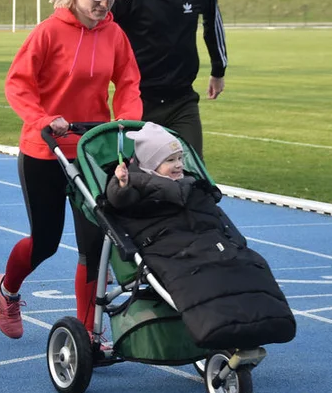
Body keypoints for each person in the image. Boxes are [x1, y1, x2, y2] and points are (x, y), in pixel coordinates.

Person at [0, 0, 142, 341]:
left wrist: (125, 126)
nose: (103, 4)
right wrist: (43, 120)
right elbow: (18, 84)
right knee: (45, 242)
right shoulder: (47, 33)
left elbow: (127, 84)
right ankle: (6, 289)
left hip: (90, 152)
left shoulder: (114, 34)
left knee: (94, 246)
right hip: (45, 151)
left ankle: (88, 333)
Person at [104, 122, 296, 350]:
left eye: (179, 158)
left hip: (204, 240)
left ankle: (256, 323)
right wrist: (122, 184)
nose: (178, 165)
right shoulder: (136, 187)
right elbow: (119, 199)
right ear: (150, 164)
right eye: (169, 160)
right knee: (201, 277)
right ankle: (220, 328)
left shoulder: (191, 184)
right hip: (169, 248)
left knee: (247, 264)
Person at [111, 0, 227, 159]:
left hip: (182, 101)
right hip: (140, 101)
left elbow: (213, 26)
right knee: (135, 175)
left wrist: (218, 70)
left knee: (193, 172)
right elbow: (99, 23)